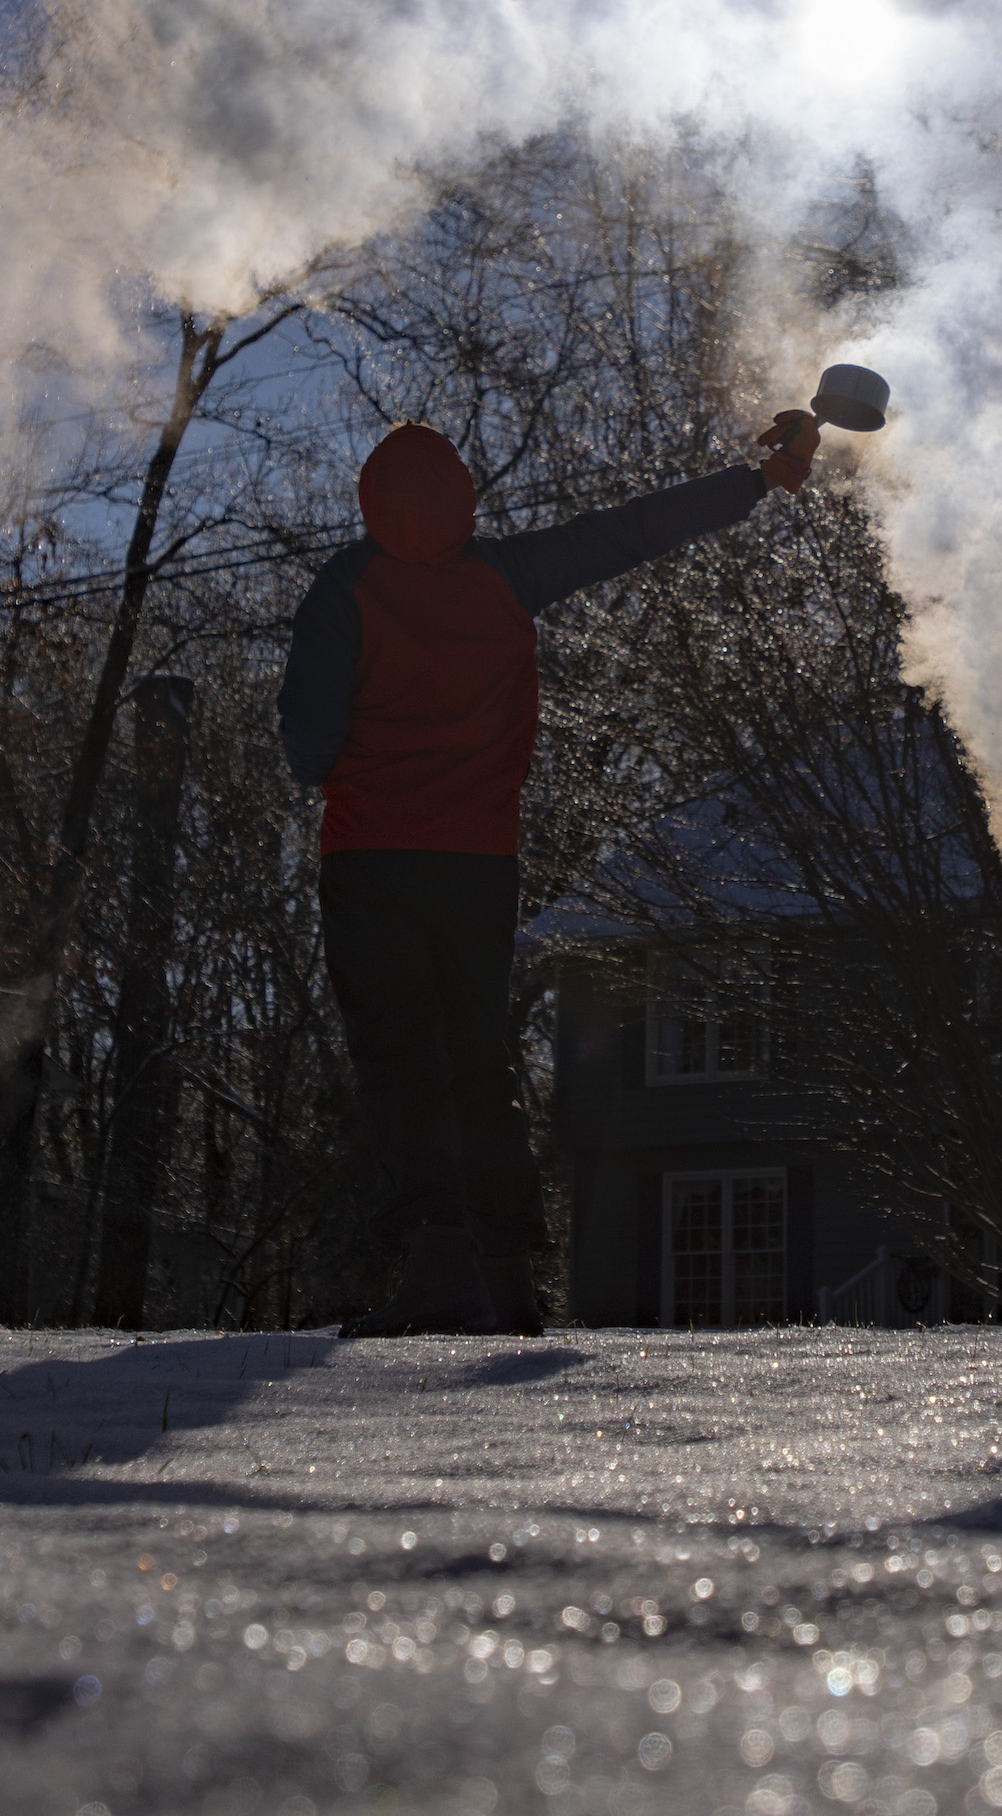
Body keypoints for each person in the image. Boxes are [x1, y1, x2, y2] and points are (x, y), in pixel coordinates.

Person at [279, 409, 820, 1333]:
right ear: (464, 495)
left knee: (401, 1063)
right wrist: (756, 480)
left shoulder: (346, 586)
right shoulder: (507, 574)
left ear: (370, 499)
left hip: (371, 861)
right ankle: (508, 1280)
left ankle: (440, 1267)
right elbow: (628, 531)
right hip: (478, 865)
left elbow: (307, 748)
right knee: (477, 1062)